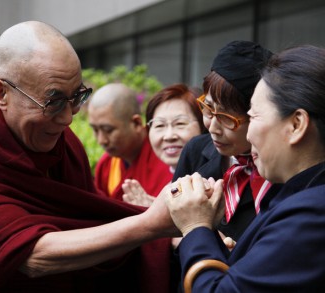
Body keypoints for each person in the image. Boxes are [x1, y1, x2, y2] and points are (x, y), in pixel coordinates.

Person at [0, 21, 180, 293]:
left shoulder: (62, 143)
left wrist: (171, 236)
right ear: (0, 94)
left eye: (76, 97)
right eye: (53, 101)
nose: (68, 118)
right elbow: (30, 256)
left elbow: (90, 220)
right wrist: (151, 224)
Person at [166, 44, 325, 292]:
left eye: (254, 116)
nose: (249, 135)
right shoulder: (299, 192)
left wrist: (197, 229)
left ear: (296, 124)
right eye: (207, 109)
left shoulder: (310, 214)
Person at [172, 40, 273, 241]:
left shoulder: (278, 169)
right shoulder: (196, 151)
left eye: (228, 119)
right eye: (208, 109)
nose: (212, 127)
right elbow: (172, 226)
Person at [122, 84, 205, 207]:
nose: (169, 136)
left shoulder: (214, 177)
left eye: (180, 123)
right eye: (159, 125)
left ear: (205, 125)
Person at [88, 82, 172, 200]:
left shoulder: (165, 159)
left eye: (108, 130)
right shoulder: (106, 165)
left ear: (136, 123)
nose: (102, 140)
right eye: (95, 130)